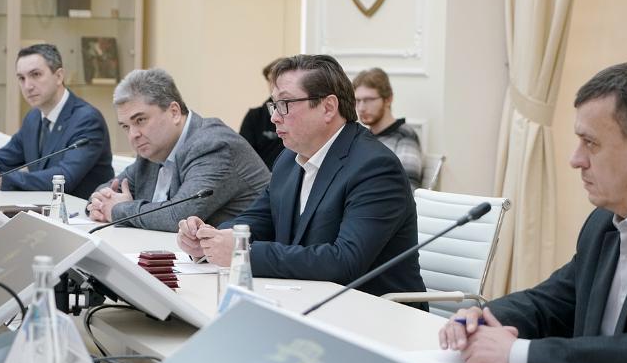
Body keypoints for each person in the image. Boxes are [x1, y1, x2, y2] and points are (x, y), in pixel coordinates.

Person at [439, 61, 627, 363]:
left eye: (590, 143)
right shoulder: (602, 223)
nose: (575, 159)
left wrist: (518, 354)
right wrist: (481, 318)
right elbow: (551, 302)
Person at [178, 55, 427, 301]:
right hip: (307, 300)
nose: (274, 117)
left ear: (328, 107)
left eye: (285, 104)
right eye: (274, 105)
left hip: (374, 311)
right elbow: (257, 221)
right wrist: (209, 239)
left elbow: (344, 262)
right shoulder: (289, 159)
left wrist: (243, 252)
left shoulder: (375, 167)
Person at [88, 68, 270, 232]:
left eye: (140, 120)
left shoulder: (213, 145)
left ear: (174, 112)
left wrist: (118, 210)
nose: (133, 135)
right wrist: (99, 203)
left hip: (242, 255)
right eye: (126, 126)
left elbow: (179, 216)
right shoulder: (151, 151)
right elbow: (106, 190)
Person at [0, 43, 113, 200]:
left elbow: (64, 178)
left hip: (80, 211)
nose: (27, 86)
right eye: (21, 78)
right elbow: (2, 160)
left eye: (35, 75)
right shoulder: (33, 117)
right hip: (42, 206)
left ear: (59, 76)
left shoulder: (87, 119)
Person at [352, 68, 422, 190]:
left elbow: (408, 189)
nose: (361, 108)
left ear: (388, 99)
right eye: (357, 101)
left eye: (369, 100)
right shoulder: (362, 137)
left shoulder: (405, 137)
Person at [239, 58, 285, 170]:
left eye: (277, 79)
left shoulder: (300, 113)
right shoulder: (254, 116)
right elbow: (243, 155)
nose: (273, 85)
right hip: (262, 176)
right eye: (270, 80)